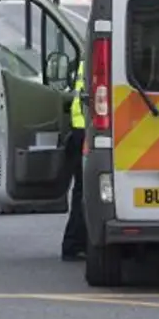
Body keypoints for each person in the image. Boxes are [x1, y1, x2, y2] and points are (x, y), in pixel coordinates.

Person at [62, 60, 88, 261]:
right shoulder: (96, 60)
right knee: (85, 191)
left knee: (82, 190)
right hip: (89, 131)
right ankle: (74, 244)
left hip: (80, 129)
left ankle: (74, 243)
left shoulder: (85, 61)